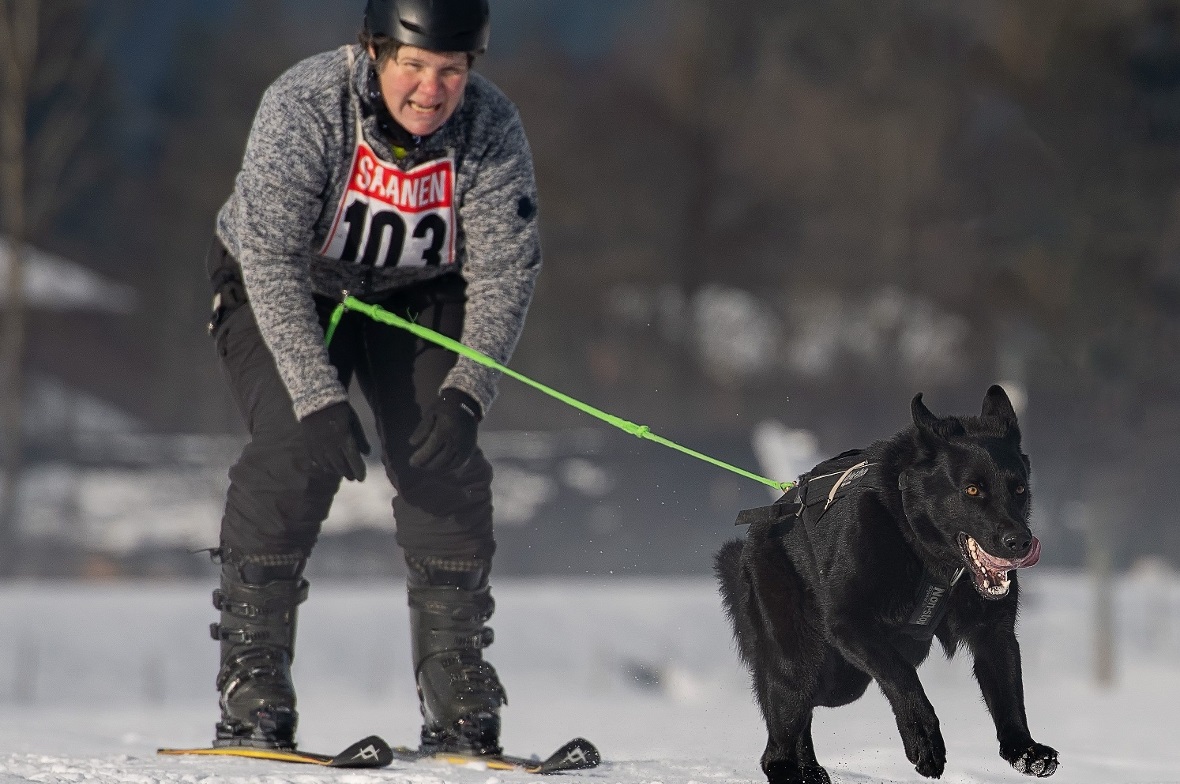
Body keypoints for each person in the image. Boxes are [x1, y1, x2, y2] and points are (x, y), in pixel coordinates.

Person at [203, 0, 540, 756]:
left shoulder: (489, 129)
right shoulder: (306, 105)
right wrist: (318, 398)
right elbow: (270, 259)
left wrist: (466, 393)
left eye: (451, 70)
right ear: (374, 53)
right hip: (285, 288)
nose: (431, 89)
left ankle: (454, 676)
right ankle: (251, 677)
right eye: (413, 67)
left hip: (415, 296)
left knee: (440, 454)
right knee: (292, 448)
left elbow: (505, 273)